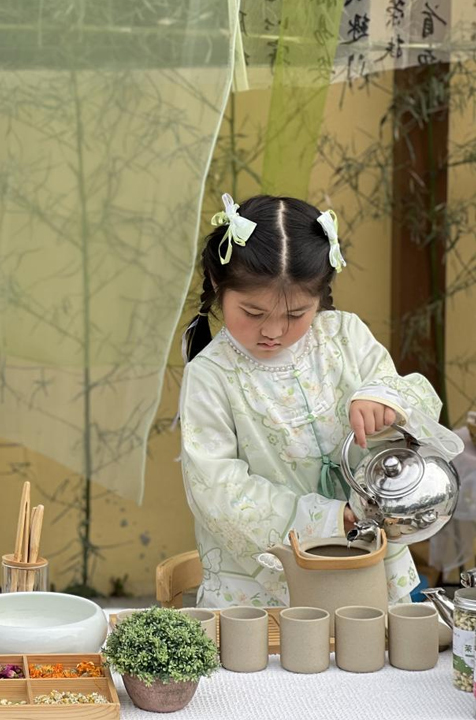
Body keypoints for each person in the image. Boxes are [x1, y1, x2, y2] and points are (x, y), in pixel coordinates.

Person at [179, 193, 462, 608]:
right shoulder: (211, 374)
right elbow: (217, 489)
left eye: (296, 314)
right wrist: (329, 520)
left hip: (371, 559)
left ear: (320, 295)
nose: (273, 331)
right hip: (265, 586)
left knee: (375, 659)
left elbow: (414, 395)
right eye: (253, 313)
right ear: (219, 286)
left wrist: (384, 400)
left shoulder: (345, 336)